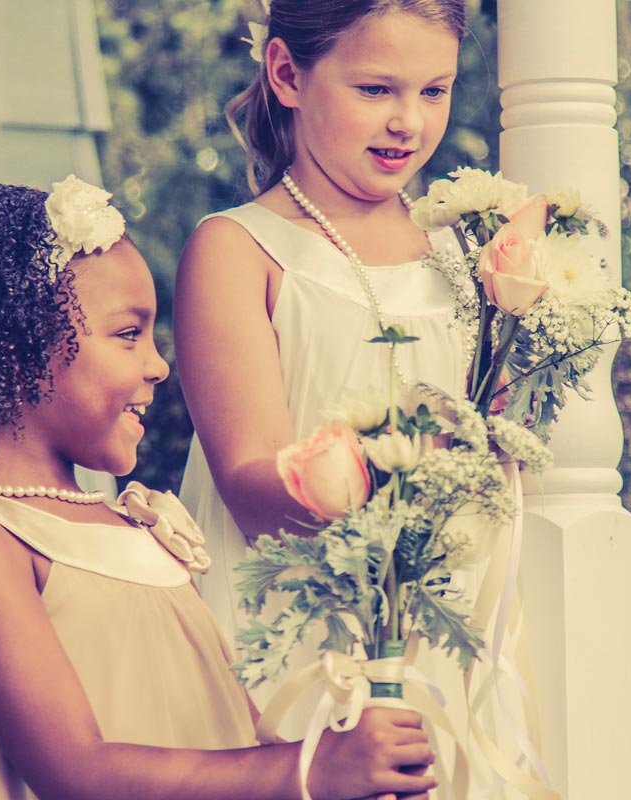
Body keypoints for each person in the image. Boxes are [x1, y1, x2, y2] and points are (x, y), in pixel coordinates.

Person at [0, 176, 437, 800]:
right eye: (129, 334)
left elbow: (235, 742)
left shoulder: (142, 531)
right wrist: (313, 769)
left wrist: (356, 770)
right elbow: (74, 771)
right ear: (14, 348)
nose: (158, 364)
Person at [176, 0, 469, 722]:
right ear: (286, 73)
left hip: (441, 626)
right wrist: (402, 467)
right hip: (293, 633)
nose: (410, 121)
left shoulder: (463, 253)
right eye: (376, 89)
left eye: (434, 90)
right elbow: (250, 486)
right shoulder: (239, 250)